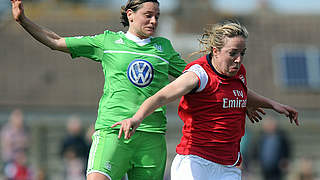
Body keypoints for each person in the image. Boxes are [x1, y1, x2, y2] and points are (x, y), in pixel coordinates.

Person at [10, 0, 187, 179]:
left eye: (157, 16)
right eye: (148, 15)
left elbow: (195, 77)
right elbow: (56, 42)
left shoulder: (164, 48)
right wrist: (23, 20)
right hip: (113, 130)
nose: (154, 21)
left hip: (151, 135)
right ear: (130, 15)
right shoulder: (108, 41)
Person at [112, 20, 299, 180]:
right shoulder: (198, 75)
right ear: (216, 51)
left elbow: (239, 91)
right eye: (233, 53)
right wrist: (136, 118)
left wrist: (272, 105)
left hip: (229, 165)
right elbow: (161, 96)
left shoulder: (238, 73)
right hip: (196, 161)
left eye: (242, 53)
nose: (238, 59)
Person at [254, 116, 292, 180]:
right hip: (264, 167)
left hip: (278, 167)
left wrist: (285, 160)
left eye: (271, 124)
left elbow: (287, 149)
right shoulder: (261, 138)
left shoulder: (281, 137)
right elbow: (255, 150)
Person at [60, 115, 90, 180]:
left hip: (80, 167)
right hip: (69, 167)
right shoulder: (66, 140)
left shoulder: (82, 140)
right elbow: (62, 153)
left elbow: (85, 152)